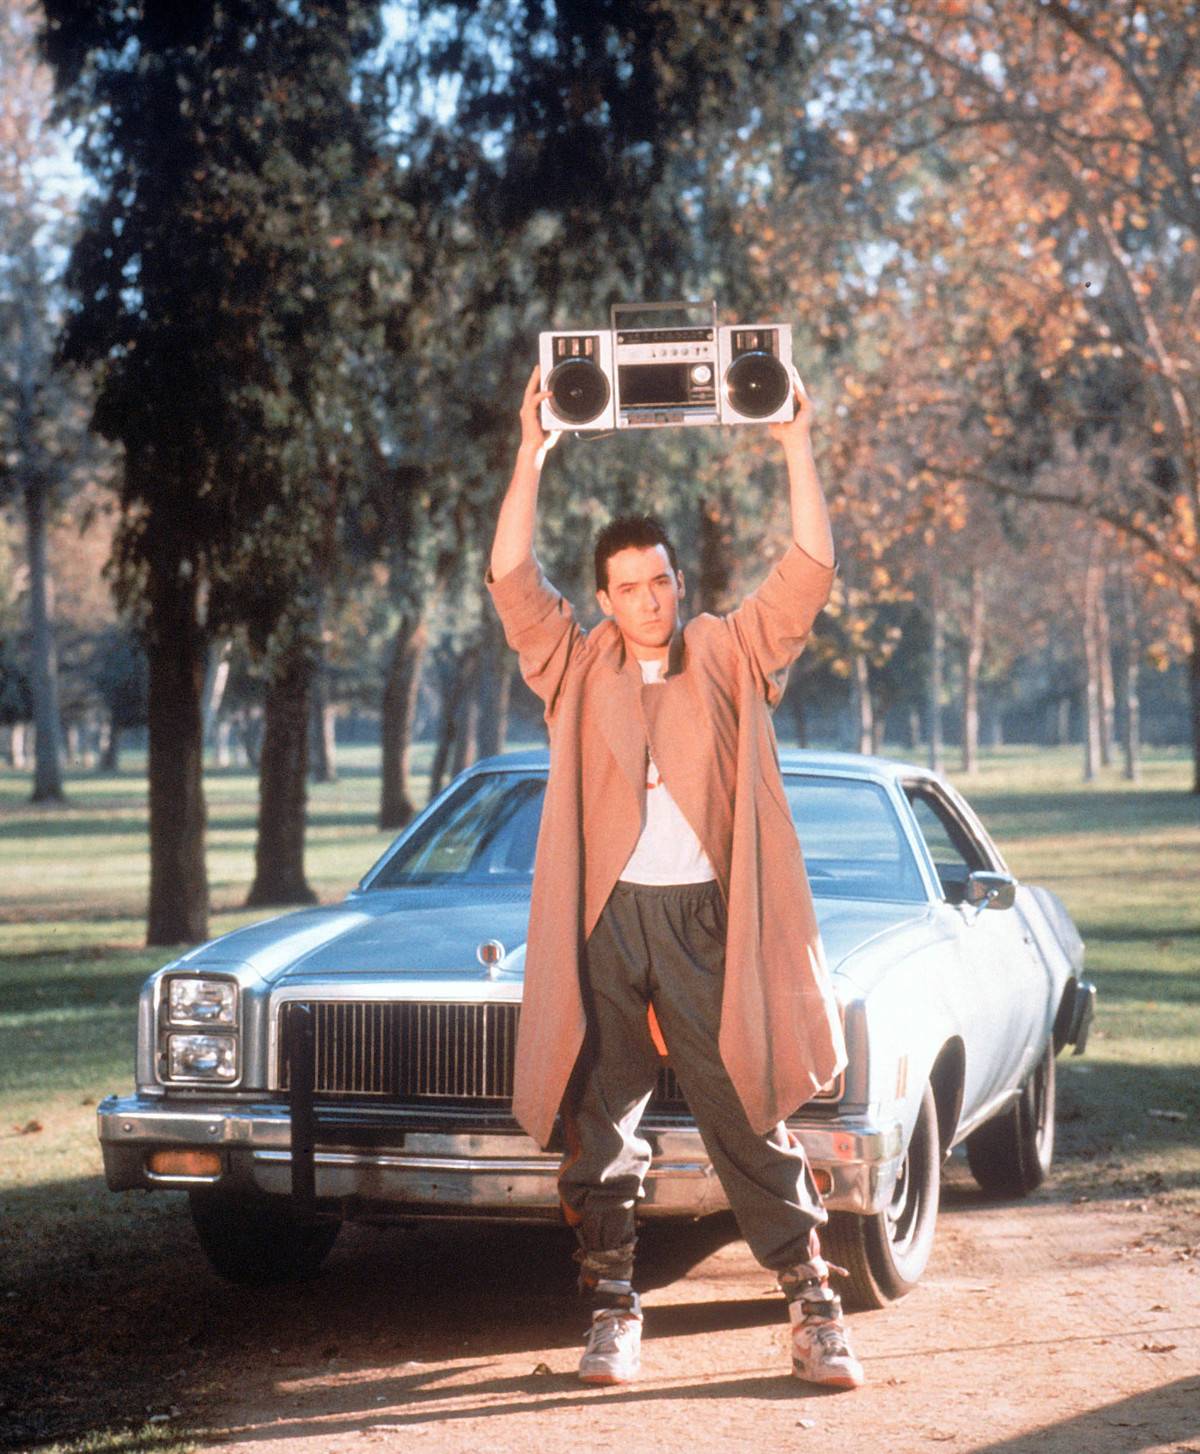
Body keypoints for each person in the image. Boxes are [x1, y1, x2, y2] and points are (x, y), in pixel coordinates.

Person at [486, 363, 863, 1391]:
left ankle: (813, 1302)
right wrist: (531, 452)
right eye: (630, 587)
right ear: (604, 600)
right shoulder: (578, 664)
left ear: (677, 585)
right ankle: (611, 1306)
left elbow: (807, 572)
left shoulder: (726, 654)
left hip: (703, 920)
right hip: (607, 920)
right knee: (597, 1114)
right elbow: (512, 579)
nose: (650, 600)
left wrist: (794, 442)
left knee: (744, 1102)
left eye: (662, 581)